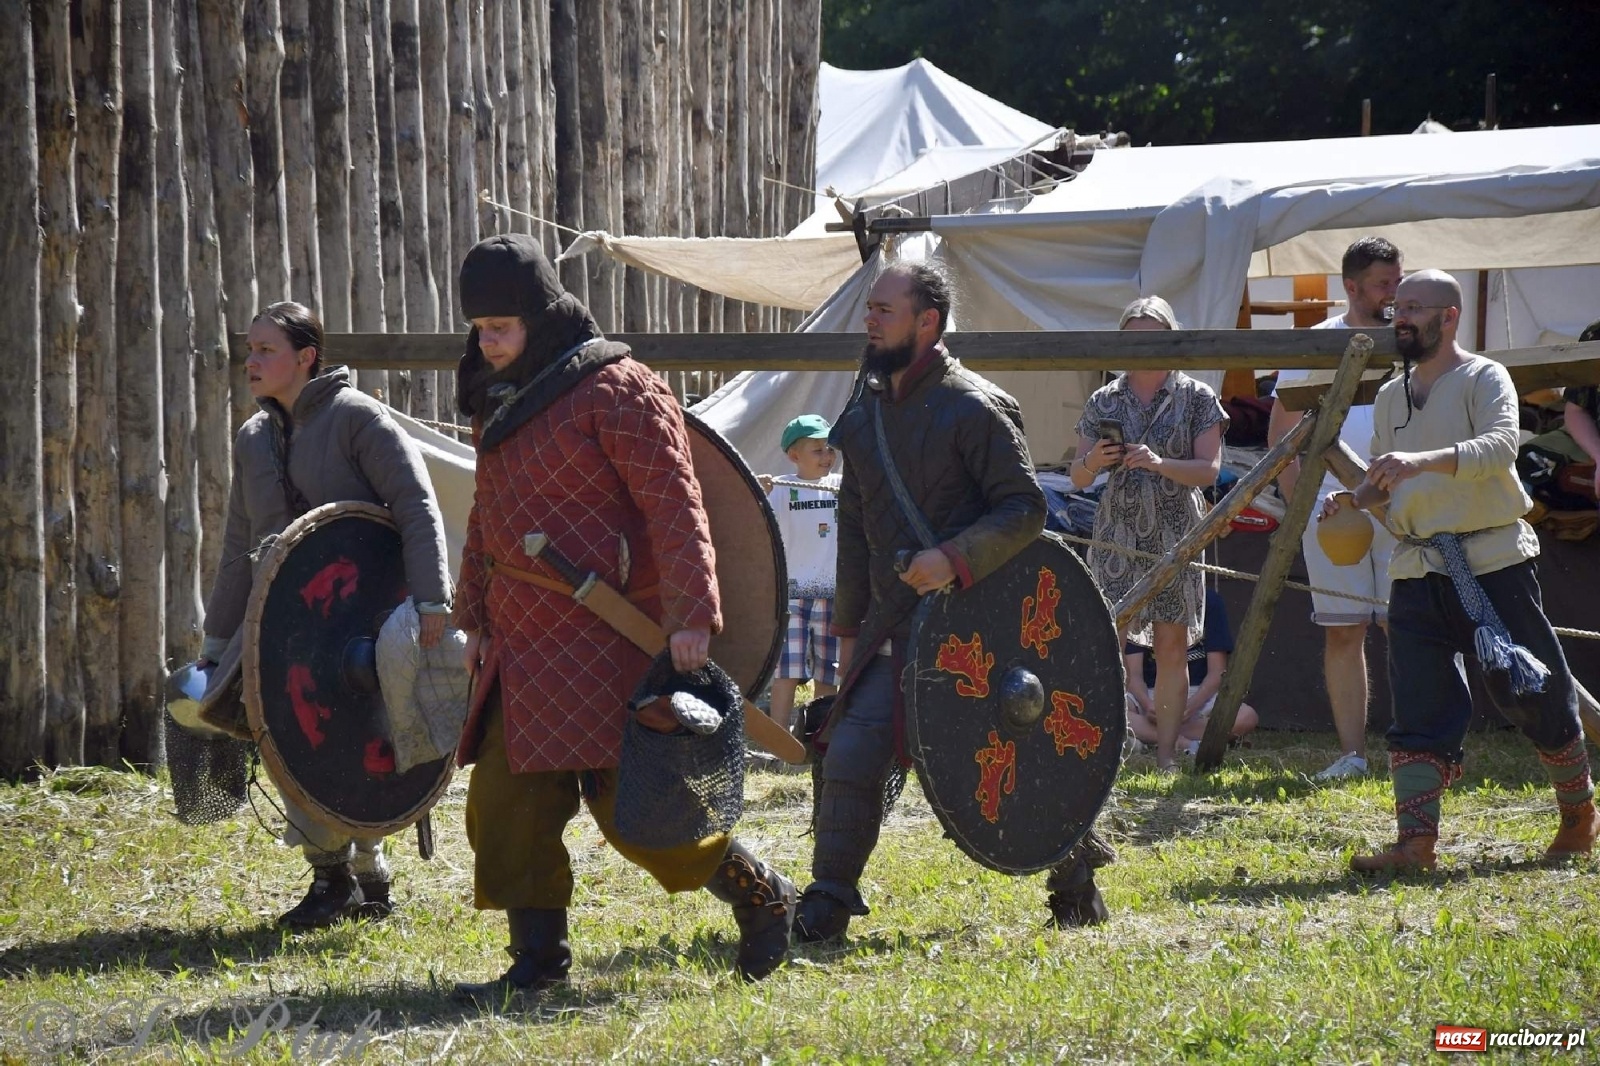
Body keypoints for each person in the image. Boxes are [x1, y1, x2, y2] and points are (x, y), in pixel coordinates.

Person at [448, 234, 795, 1000]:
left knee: (647, 815)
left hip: (609, 642)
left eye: (502, 326)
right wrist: (471, 615)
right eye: (480, 328)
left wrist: (693, 615)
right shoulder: (496, 400)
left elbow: (676, 504)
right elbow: (488, 520)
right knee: (507, 808)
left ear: (541, 317)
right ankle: (538, 962)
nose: (489, 340)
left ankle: (763, 893)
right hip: (523, 645)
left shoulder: (618, 388)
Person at [795, 260, 1114, 942]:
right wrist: (849, 637)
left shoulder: (977, 407)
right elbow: (856, 535)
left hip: (982, 628)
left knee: (1017, 752)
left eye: (884, 309)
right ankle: (828, 897)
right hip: (895, 620)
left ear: (927, 321)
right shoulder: (862, 419)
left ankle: (1075, 869)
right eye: (870, 308)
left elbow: (1024, 510)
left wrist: (952, 558)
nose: (869, 318)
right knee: (853, 748)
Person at [195, 301, 454, 928]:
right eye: (249, 351)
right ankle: (334, 878)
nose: (251, 362)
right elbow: (238, 545)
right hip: (283, 629)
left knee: (364, 743)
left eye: (265, 351)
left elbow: (416, 507)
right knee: (293, 737)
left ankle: (369, 877)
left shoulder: (358, 420)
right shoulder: (252, 440)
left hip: (362, 621)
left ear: (306, 357)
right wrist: (217, 639)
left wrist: (431, 601)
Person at [1331, 270, 1597, 872]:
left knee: (1532, 691)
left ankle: (1579, 813)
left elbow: (1503, 446)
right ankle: (1416, 844)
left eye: (1414, 308)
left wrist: (1419, 462)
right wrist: (1353, 500)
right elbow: (1384, 481)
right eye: (1397, 307)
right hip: (1418, 565)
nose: (1400, 317)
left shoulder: (1484, 376)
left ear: (1448, 317)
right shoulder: (1390, 395)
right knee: (1419, 700)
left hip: (1493, 560)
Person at [1069, 296, 1227, 772]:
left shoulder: (1197, 396)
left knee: (1172, 646)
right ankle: (1101, 754)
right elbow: (1078, 477)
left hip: (1177, 528)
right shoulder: (1104, 399)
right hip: (1117, 529)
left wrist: (1160, 463)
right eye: (1134, 337)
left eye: (1153, 336)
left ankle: (1165, 757)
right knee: (1107, 638)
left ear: (1171, 337)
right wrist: (1096, 459)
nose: (1143, 347)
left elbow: (1210, 471)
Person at [1267, 237, 1403, 781]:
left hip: (1401, 505)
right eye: (1383, 284)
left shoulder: (1412, 342)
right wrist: (1301, 502)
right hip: (1331, 510)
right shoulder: (1317, 342)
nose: (1394, 293)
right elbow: (1281, 435)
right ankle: (1352, 755)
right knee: (1344, 629)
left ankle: (1423, 750)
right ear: (1352, 286)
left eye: (1398, 280)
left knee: (1407, 627)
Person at [762, 414, 843, 738]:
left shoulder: (840, 486)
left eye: (829, 450)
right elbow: (760, 525)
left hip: (831, 589)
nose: (827, 457)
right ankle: (778, 736)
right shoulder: (781, 490)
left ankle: (817, 734)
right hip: (794, 590)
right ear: (794, 456)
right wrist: (761, 490)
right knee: (789, 668)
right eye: (817, 450)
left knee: (829, 669)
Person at [1124, 588, 1258, 756]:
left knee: (1246, 717)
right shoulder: (1142, 602)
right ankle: (1185, 743)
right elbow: (1133, 675)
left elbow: (1217, 672)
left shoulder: (1209, 602)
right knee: (1113, 714)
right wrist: (1148, 705)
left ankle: (1151, 736)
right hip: (1151, 695)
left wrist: (1190, 706)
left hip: (1198, 696)